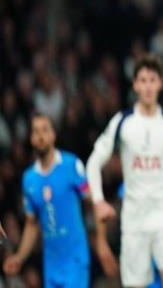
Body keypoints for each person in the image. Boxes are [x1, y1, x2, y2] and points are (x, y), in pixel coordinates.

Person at [86, 55, 163, 288]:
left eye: (152, 80)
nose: (148, 86)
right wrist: (98, 201)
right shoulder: (123, 122)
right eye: (143, 80)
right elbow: (93, 162)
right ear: (135, 85)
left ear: (160, 83)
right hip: (133, 220)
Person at [3, 113, 90, 287]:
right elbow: (31, 223)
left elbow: (91, 203)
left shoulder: (71, 165)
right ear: (31, 139)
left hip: (75, 260)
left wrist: (100, 242)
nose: (41, 136)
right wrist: (20, 257)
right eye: (36, 131)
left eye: (45, 130)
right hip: (51, 265)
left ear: (53, 135)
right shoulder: (29, 179)